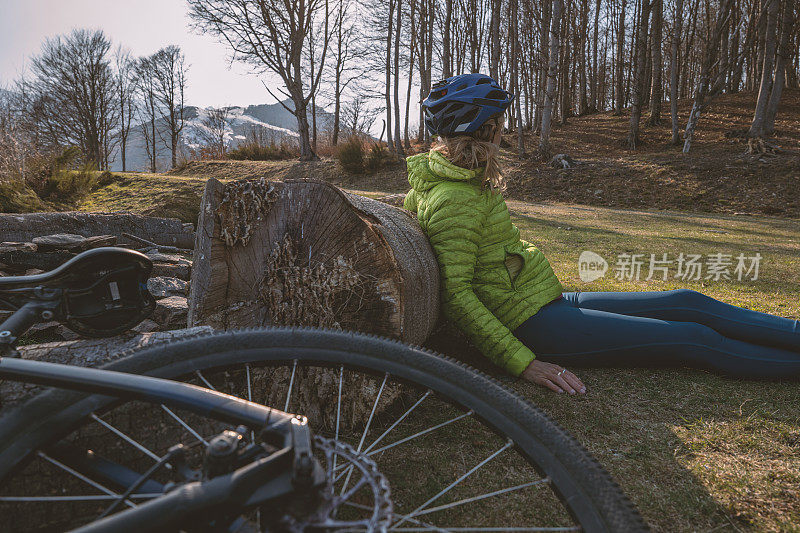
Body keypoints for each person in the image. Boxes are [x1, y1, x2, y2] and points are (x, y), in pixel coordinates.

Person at [403, 73, 800, 395]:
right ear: (484, 129)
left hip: (545, 299)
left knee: (687, 300)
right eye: (500, 125)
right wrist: (522, 362)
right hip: (532, 323)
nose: (504, 133)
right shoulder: (455, 199)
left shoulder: (464, 183)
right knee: (694, 339)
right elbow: (456, 296)